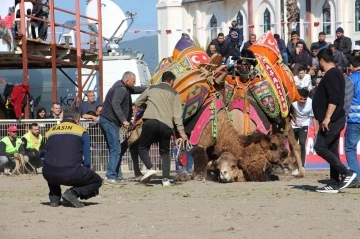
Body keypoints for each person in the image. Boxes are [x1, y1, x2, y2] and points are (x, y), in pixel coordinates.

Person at [312, 48, 357, 193]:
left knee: (320, 147)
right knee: (332, 150)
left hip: (332, 120)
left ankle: (346, 173)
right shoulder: (337, 73)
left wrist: (326, 118)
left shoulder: (331, 75)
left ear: (321, 60)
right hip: (335, 118)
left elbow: (333, 99)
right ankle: (334, 183)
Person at [42, 107, 102, 208]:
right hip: (71, 173)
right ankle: (73, 193)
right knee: (97, 180)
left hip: (48, 173)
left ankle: (54, 198)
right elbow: (87, 160)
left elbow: (43, 153)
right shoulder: (82, 131)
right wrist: (85, 173)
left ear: (63, 117)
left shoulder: (50, 131)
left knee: (52, 165)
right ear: (77, 119)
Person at [134, 71, 188, 181]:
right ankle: (166, 179)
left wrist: (148, 106)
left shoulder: (151, 88)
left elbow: (138, 102)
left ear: (162, 79)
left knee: (142, 147)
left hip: (150, 122)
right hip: (166, 125)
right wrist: (182, 132)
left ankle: (150, 168)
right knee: (165, 152)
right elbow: (177, 116)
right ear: (172, 81)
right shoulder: (174, 93)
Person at [99, 71, 147, 184]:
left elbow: (136, 89)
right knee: (116, 149)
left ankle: (118, 175)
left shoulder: (124, 87)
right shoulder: (121, 89)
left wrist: (151, 88)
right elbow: (115, 104)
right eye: (133, 81)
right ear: (127, 81)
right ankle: (111, 176)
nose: (135, 84)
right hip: (110, 121)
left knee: (114, 149)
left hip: (108, 121)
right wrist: (124, 120)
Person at [291, 89, 317, 176]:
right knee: (293, 146)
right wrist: (294, 121)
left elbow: (313, 117)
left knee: (302, 144)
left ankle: (301, 166)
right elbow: (289, 114)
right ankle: (294, 166)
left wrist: (316, 130)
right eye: (301, 99)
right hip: (293, 125)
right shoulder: (293, 102)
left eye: (304, 99)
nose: (302, 101)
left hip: (304, 125)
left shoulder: (311, 103)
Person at [345, 56, 360, 184]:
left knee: (350, 149)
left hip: (354, 120)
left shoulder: (350, 80)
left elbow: (345, 100)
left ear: (351, 66)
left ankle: (357, 177)